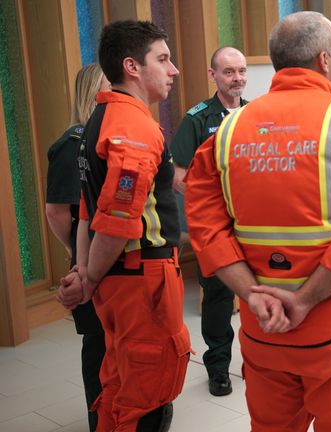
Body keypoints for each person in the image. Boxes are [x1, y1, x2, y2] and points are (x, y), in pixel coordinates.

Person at [184, 11, 331, 431]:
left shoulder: (226, 133)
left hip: (264, 330)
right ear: (323, 59)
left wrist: (253, 294)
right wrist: (304, 300)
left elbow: (206, 232)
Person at [64, 20, 191, 432]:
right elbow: (118, 220)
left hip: (119, 281)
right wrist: (88, 278)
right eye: (164, 59)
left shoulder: (99, 119)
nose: (173, 70)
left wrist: (85, 273)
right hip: (142, 281)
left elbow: (87, 212)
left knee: (118, 384)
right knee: (148, 395)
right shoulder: (134, 127)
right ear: (132, 67)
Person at [170, 46, 249, 397]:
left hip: (253, 224)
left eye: (242, 71)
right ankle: (218, 367)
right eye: (229, 71)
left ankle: (260, 361)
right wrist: (215, 204)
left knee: (256, 292)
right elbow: (178, 176)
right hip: (216, 224)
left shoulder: (257, 114)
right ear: (212, 74)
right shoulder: (197, 119)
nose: (237, 78)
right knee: (217, 296)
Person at [47, 63, 109, 432]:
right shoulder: (74, 144)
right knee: (99, 345)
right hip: (88, 261)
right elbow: (57, 210)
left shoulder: (100, 137)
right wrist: (75, 251)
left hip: (104, 258)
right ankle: (99, 419)